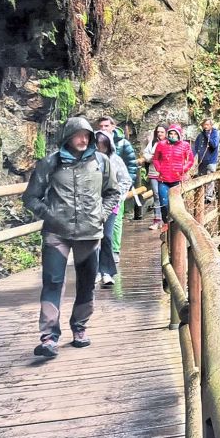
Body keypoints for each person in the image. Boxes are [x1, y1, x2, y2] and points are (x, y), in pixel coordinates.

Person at [23, 117, 122, 359]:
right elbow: (31, 197)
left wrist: (100, 214)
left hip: (89, 233)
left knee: (87, 282)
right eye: (78, 134)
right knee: (53, 281)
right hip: (56, 233)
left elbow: (113, 192)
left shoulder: (101, 162)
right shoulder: (51, 163)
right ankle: (48, 337)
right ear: (67, 136)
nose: (83, 139)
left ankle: (79, 328)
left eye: (87, 135)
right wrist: (50, 215)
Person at [96, 117, 138, 262]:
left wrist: (122, 191)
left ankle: (114, 251)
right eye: (101, 125)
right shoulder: (93, 148)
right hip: (96, 198)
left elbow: (132, 164)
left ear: (113, 126)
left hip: (115, 192)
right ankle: (99, 259)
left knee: (115, 222)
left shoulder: (122, 144)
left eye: (106, 125)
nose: (103, 128)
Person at [94, 131, 133, 286]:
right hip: (92, 206)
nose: (100, 150)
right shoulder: (87, 161)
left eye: (103, 147)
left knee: (107, 237)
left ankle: (106, 272)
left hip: (111, 205)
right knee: (94, 239)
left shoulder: (115, 160)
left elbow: (125, 180)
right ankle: (97, 271)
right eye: (97, 147)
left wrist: (119, 196)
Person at [152, 124, 195, 223]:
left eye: (175, 134)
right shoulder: (161, 144)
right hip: (163, 179)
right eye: (170, 133)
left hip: (177, 179)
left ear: (179, 135)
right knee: (164, 202)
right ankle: (166, 222)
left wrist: (182, 169)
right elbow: (155, 159)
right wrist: (160, 169)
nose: (172, 136)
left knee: (177, 203)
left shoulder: (185, 145)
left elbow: (190, 160)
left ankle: (176, 225)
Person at [142, 125, 168, 230]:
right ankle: (157, 220)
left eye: (162, 132)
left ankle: (166, 219)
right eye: (158, 132)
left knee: (164, 195)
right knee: (156, 195)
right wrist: (153, 158)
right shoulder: (153, 143)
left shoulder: (169, 143)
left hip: (165, 173)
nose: (160, 134)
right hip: (154, 172)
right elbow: (145, 154)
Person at [192, 118, 220, 202]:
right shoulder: (200, 135)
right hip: (202, 161)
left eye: (207, 125)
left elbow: (214, 145)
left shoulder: (215, 133)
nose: (205, 126)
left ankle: (209, 196)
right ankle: (201, 196)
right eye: (204, 125)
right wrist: (193, 157)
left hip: (211, 160)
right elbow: (195, 147)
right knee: (201, 178)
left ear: (211, 125)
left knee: (210, 179)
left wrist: (208, 135)